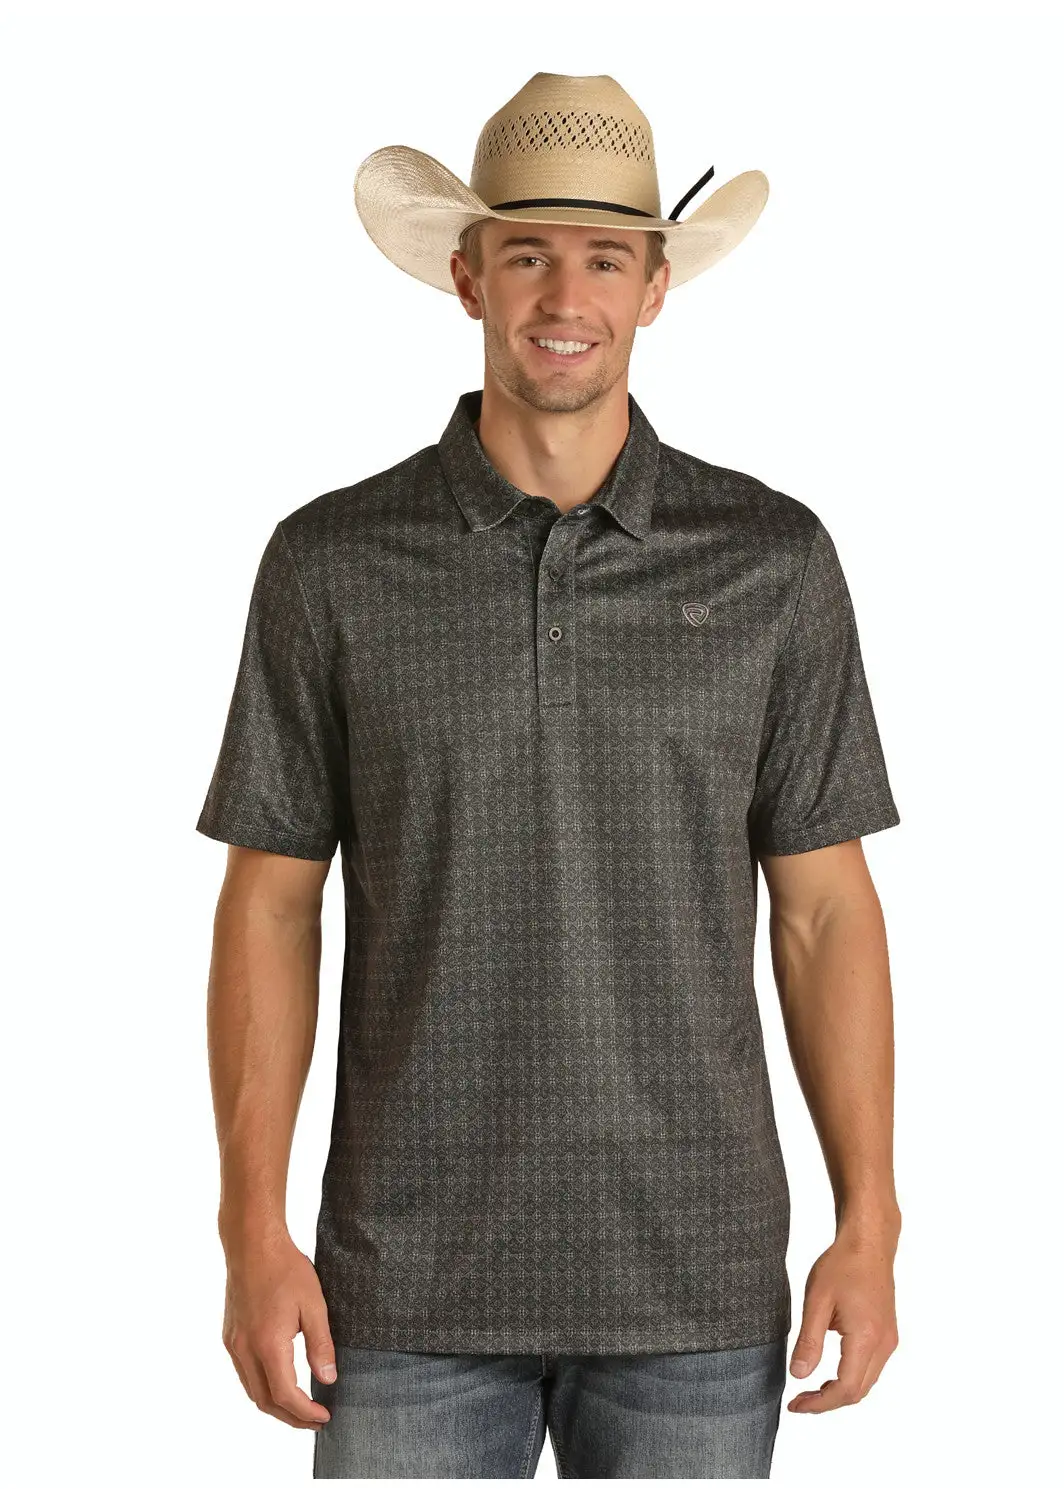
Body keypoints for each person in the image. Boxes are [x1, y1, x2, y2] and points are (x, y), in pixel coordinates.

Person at [195, 72, 903, 1479]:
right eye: (527, 255)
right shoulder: (332, 563)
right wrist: (249, 1232)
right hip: (398, 1290)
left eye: (605, 258)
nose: (564, 295)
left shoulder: (772, 561)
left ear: (655, 288)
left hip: (696, 1282)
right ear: (468, 278)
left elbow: (826, 909)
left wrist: (871, 1220)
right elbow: (269, 902)